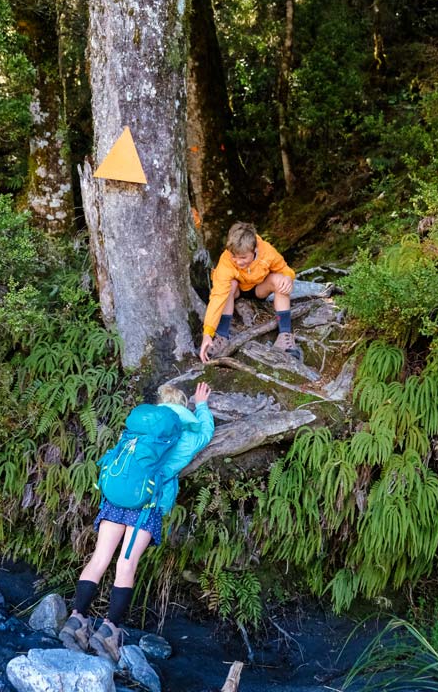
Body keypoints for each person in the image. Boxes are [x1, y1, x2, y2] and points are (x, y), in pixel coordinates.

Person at [59, 381, 214, 662]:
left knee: (99, 558)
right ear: (183, 406)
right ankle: (108, 631)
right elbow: (205, 434)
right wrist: (202, 405)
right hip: (147, 504)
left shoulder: (140, 428)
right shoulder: (181, 433)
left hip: (116, 500)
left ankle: (76, 620)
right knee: (126, 564)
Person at [199, 221, 301, 363]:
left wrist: (289, 278)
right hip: (237, 291)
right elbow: (217, 296)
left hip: (259, 288)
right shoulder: (226, 261)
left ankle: (285, 335)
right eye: (234, 256)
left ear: (254, 250)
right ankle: (222, 336)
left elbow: (284, 269)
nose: (238, 262)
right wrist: (207, 333)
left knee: (280, 280)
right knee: (230, 284)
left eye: (243, 258)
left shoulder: (267, 251)